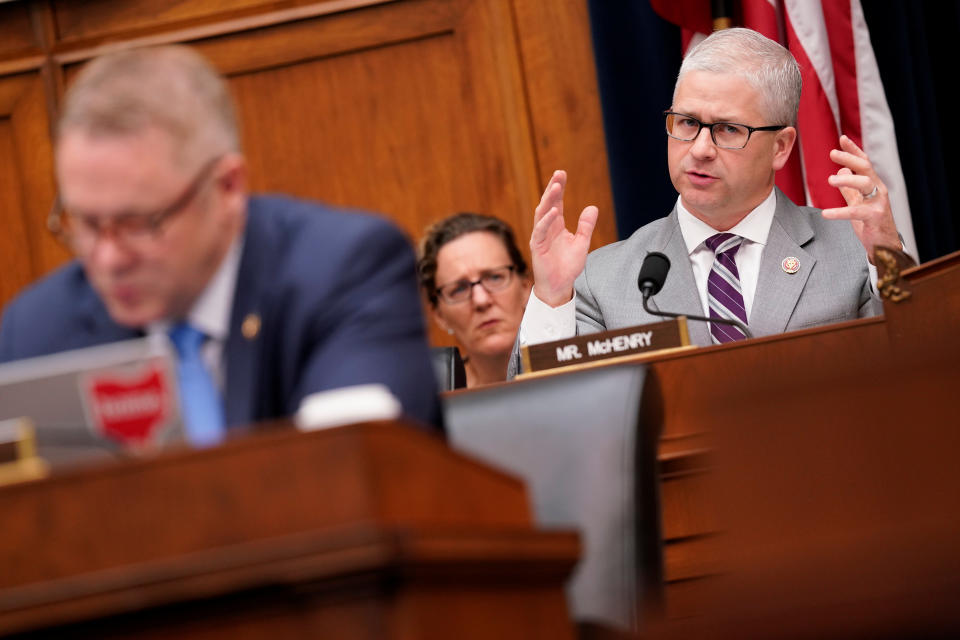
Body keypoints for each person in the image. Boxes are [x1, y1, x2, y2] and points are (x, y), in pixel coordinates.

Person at [0, 45, 441, 438]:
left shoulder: (345, 270)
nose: (109, 259)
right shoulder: (37, 332)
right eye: (87, 224)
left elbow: (351, 478)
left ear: (228, 188)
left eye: (138, 223)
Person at [514, 27, 900, 367]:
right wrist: (551, 298)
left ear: (780, 147)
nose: (699, 149)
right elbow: (549, 416)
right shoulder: (602, 279)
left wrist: (886, 259)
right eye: (687, 123)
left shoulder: (851, 248)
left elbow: (914, 366)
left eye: (728, 129)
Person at [418, 213, 531, 387]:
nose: (481, 300)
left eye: (494, 277)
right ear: (439, 315)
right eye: (459, 289)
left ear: (525, 287)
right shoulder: (429, 403)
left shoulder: (574, 373)